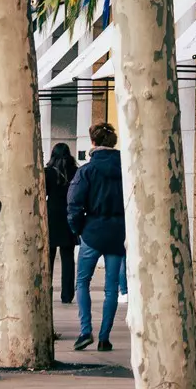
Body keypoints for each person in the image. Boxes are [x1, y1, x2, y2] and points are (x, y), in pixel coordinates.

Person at [66, 122, 127, 352]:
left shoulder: (87, 171)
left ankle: (85, 331)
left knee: (82, 281)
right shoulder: (126, 170)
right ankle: (104, 337)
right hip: (118, 232)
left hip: (92, 231)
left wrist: (79, 229)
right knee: (111, 287)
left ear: (93, 142)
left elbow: (74, 204)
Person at [45, 143, 78, 305]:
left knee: (48, 257)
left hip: (51, 216)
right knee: (68, 257)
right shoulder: (74, 171)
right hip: (68, 216)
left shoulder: (48, 172)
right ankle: (67, 295)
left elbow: (43, 193)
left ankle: (46, 290)